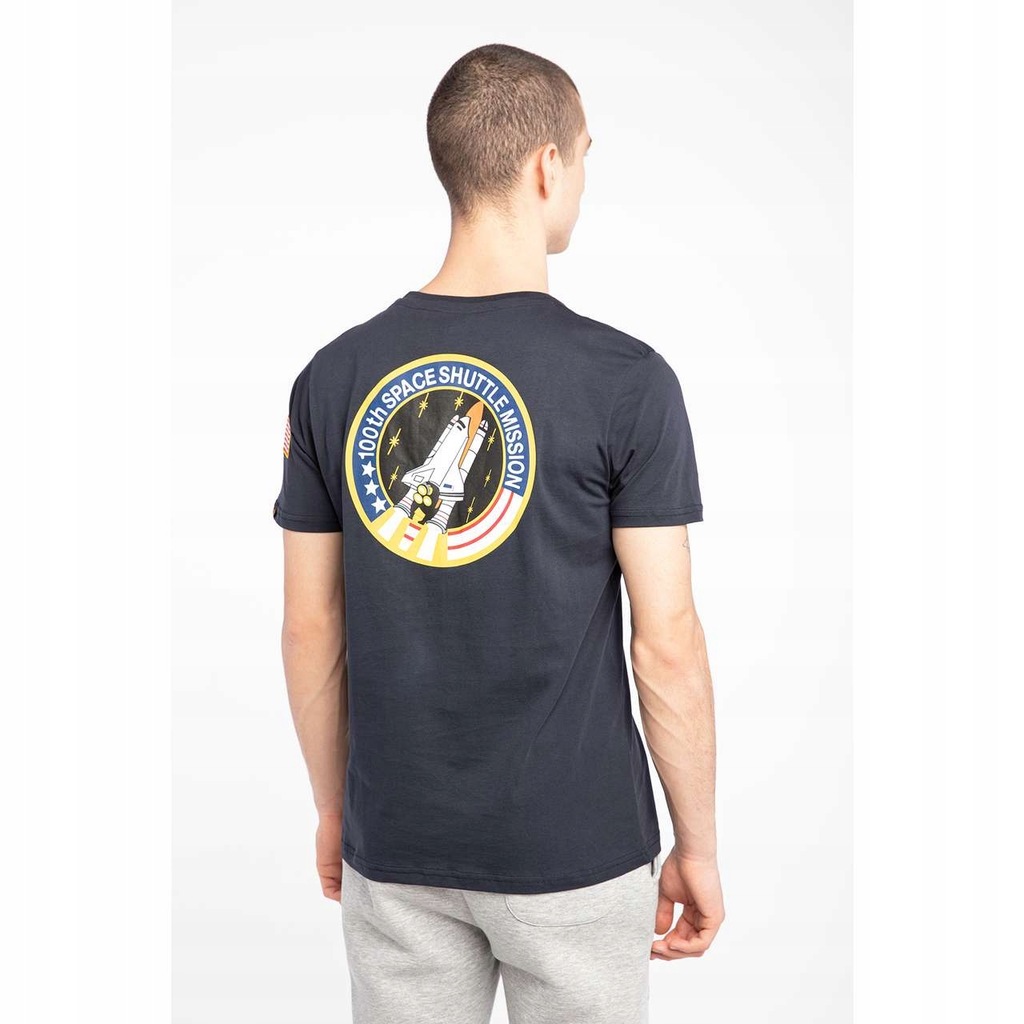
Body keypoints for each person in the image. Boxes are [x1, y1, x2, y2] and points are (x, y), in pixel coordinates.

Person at [273, 41, 724, 1024]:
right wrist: (697, 842)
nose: (583, 179)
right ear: (547, 166)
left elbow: (310, 627)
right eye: (586, 156)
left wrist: (333, 806)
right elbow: (666, 642)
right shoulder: (626, 381)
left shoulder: (333, 377)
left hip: (398, 842)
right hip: (576, 847)